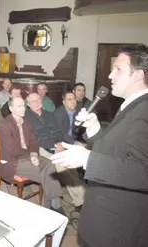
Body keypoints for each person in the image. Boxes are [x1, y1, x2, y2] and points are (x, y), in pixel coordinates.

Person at [50, 44, 148, 247]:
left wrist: (87, 159)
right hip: (105, 218)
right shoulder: (132, 105)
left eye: (118, 69)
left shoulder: (144, 111)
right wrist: (95, 129)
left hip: (117, 227)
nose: (110, 75)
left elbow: (142, 172)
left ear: (138, 75)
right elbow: (118, 150)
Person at [26, 92, 86, 209]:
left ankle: (79, 192)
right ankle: (81, 197)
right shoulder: (26, 117)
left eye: (38, 100)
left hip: (56, 145)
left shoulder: (49, 114)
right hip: (39, 148)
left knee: (71, 163)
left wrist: (59, 143)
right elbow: (34, 138)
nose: (37, 103)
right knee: (61, 165)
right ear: (28, 104)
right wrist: (54, 145)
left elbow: (58, 131)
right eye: (33, 101)